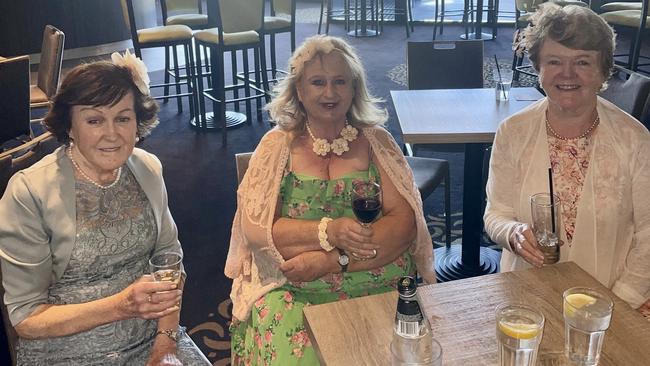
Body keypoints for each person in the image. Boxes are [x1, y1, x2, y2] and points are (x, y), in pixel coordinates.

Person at [226, 35, 435, 365]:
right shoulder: (276, 145)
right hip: (294, 285)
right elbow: (259, 232)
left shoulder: (377, 140)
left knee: (393, 355)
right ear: (299, 90)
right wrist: (330, 230)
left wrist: (331, 259)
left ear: (354, 88)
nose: (330, 93)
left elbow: (403, 228)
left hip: (376, 274)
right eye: (317, 82)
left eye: (340, 82)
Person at [0, 52, 208, 365]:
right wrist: (122, 306)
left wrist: (165, 345)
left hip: (152, 337)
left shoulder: (148, 169)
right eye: (95, 120)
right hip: (65, 350)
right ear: (70, 126)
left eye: (123, 118)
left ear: (137, 123)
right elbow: (26, 319)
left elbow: (170, 264)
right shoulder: (30, 192)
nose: (112, 134)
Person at [484, 4, 650, 317]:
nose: (568, 74)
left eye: (583, 62)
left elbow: (649, 237)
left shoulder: (635, 140)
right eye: (555, 61)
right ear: (538, 68)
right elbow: (496, 212)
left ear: (603, 70)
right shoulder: (513, 131)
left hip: (610, 299)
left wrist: (617, 304)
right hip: (526, 296)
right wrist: (513, 232)